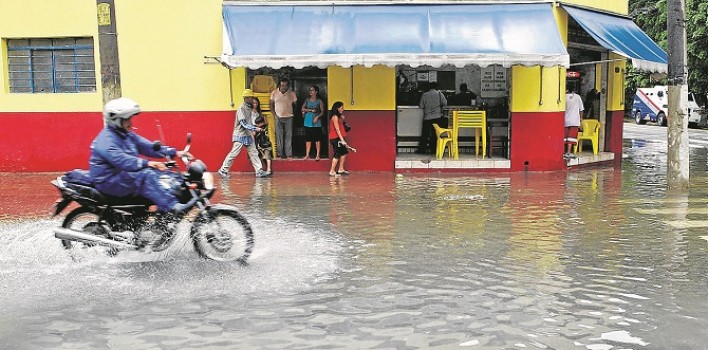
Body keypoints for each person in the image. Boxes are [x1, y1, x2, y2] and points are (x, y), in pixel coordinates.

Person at [89, 97, 194, 214]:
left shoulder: (126, 134)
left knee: (167, 175)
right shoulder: (106, 140)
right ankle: (172, 207)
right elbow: (123, 160)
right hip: (108, 181)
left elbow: (148, 146)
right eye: (126, 119)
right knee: (146, 175)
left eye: (130, 118)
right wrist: (147, 163)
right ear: (116, 120)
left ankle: (163, 217)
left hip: (122, 175)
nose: (130, 122)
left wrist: (175, 152)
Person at [218, 89, 270, 178]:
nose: (253, 99)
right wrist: (255, 128)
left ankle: (259, 171)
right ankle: (223, 170)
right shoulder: (241, 108)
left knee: (253, 152)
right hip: (240, 135)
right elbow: (244, 123)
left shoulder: (249, 108)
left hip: (247, 134)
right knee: (234, 153)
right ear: (246, 98)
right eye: (251, 97)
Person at [269, 78, 298, 159]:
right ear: (279, 85)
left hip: (289, 117)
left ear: (288, 86)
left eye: (285, 86)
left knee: (289, 136)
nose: (284, 87)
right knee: (279, 136)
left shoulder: (292, 93)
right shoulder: (274, 93)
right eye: (282, 85)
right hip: (278, 117)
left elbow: (296, 104)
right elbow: (271, 104)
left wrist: (293, 114)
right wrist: (274, 115)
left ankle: (288, 154)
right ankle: (280, 154)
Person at [416, 82, 448, 155]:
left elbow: (421, 106)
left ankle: (422, 150)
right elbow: (445, 103)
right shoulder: (440, 94)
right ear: (436, 87)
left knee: (425, 134)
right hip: (437, 117)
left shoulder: (425, 95)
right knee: (434, 134)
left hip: (427, 117)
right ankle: (434, 150)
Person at [301, 85, 325, 161]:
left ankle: (317, 155)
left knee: (317, 139)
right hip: (307, 122)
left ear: (316, 92)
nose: (310, 92)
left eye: (312, 90)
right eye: (310, 90)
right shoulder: (307, 100)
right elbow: (302, 108)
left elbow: (322, 112)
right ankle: (307, 155)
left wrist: (317, 117)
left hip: (316, 122)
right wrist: (310, 110)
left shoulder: (319, 101)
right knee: (308, 139)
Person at [328, 101, 350, 176]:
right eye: (341, 108)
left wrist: (343, 120)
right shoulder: (335, 117)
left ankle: (341, 169)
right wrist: (342, 140)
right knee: (337, 153)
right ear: (337, 108)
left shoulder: (340, 117)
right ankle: (332, 170)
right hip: (335, 138)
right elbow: (337, 129)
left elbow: (343, 127)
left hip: (339, 138)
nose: (342, 109)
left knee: (344, 152)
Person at [564, 88, 585, 159]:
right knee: (571, 137)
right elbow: (581, 109)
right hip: (575, 120)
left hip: (565, 120)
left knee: (565, 137)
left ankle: (564, 152)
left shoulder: (563, 97)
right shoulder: (577, 97)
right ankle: (569, 153)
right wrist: (581, 119)